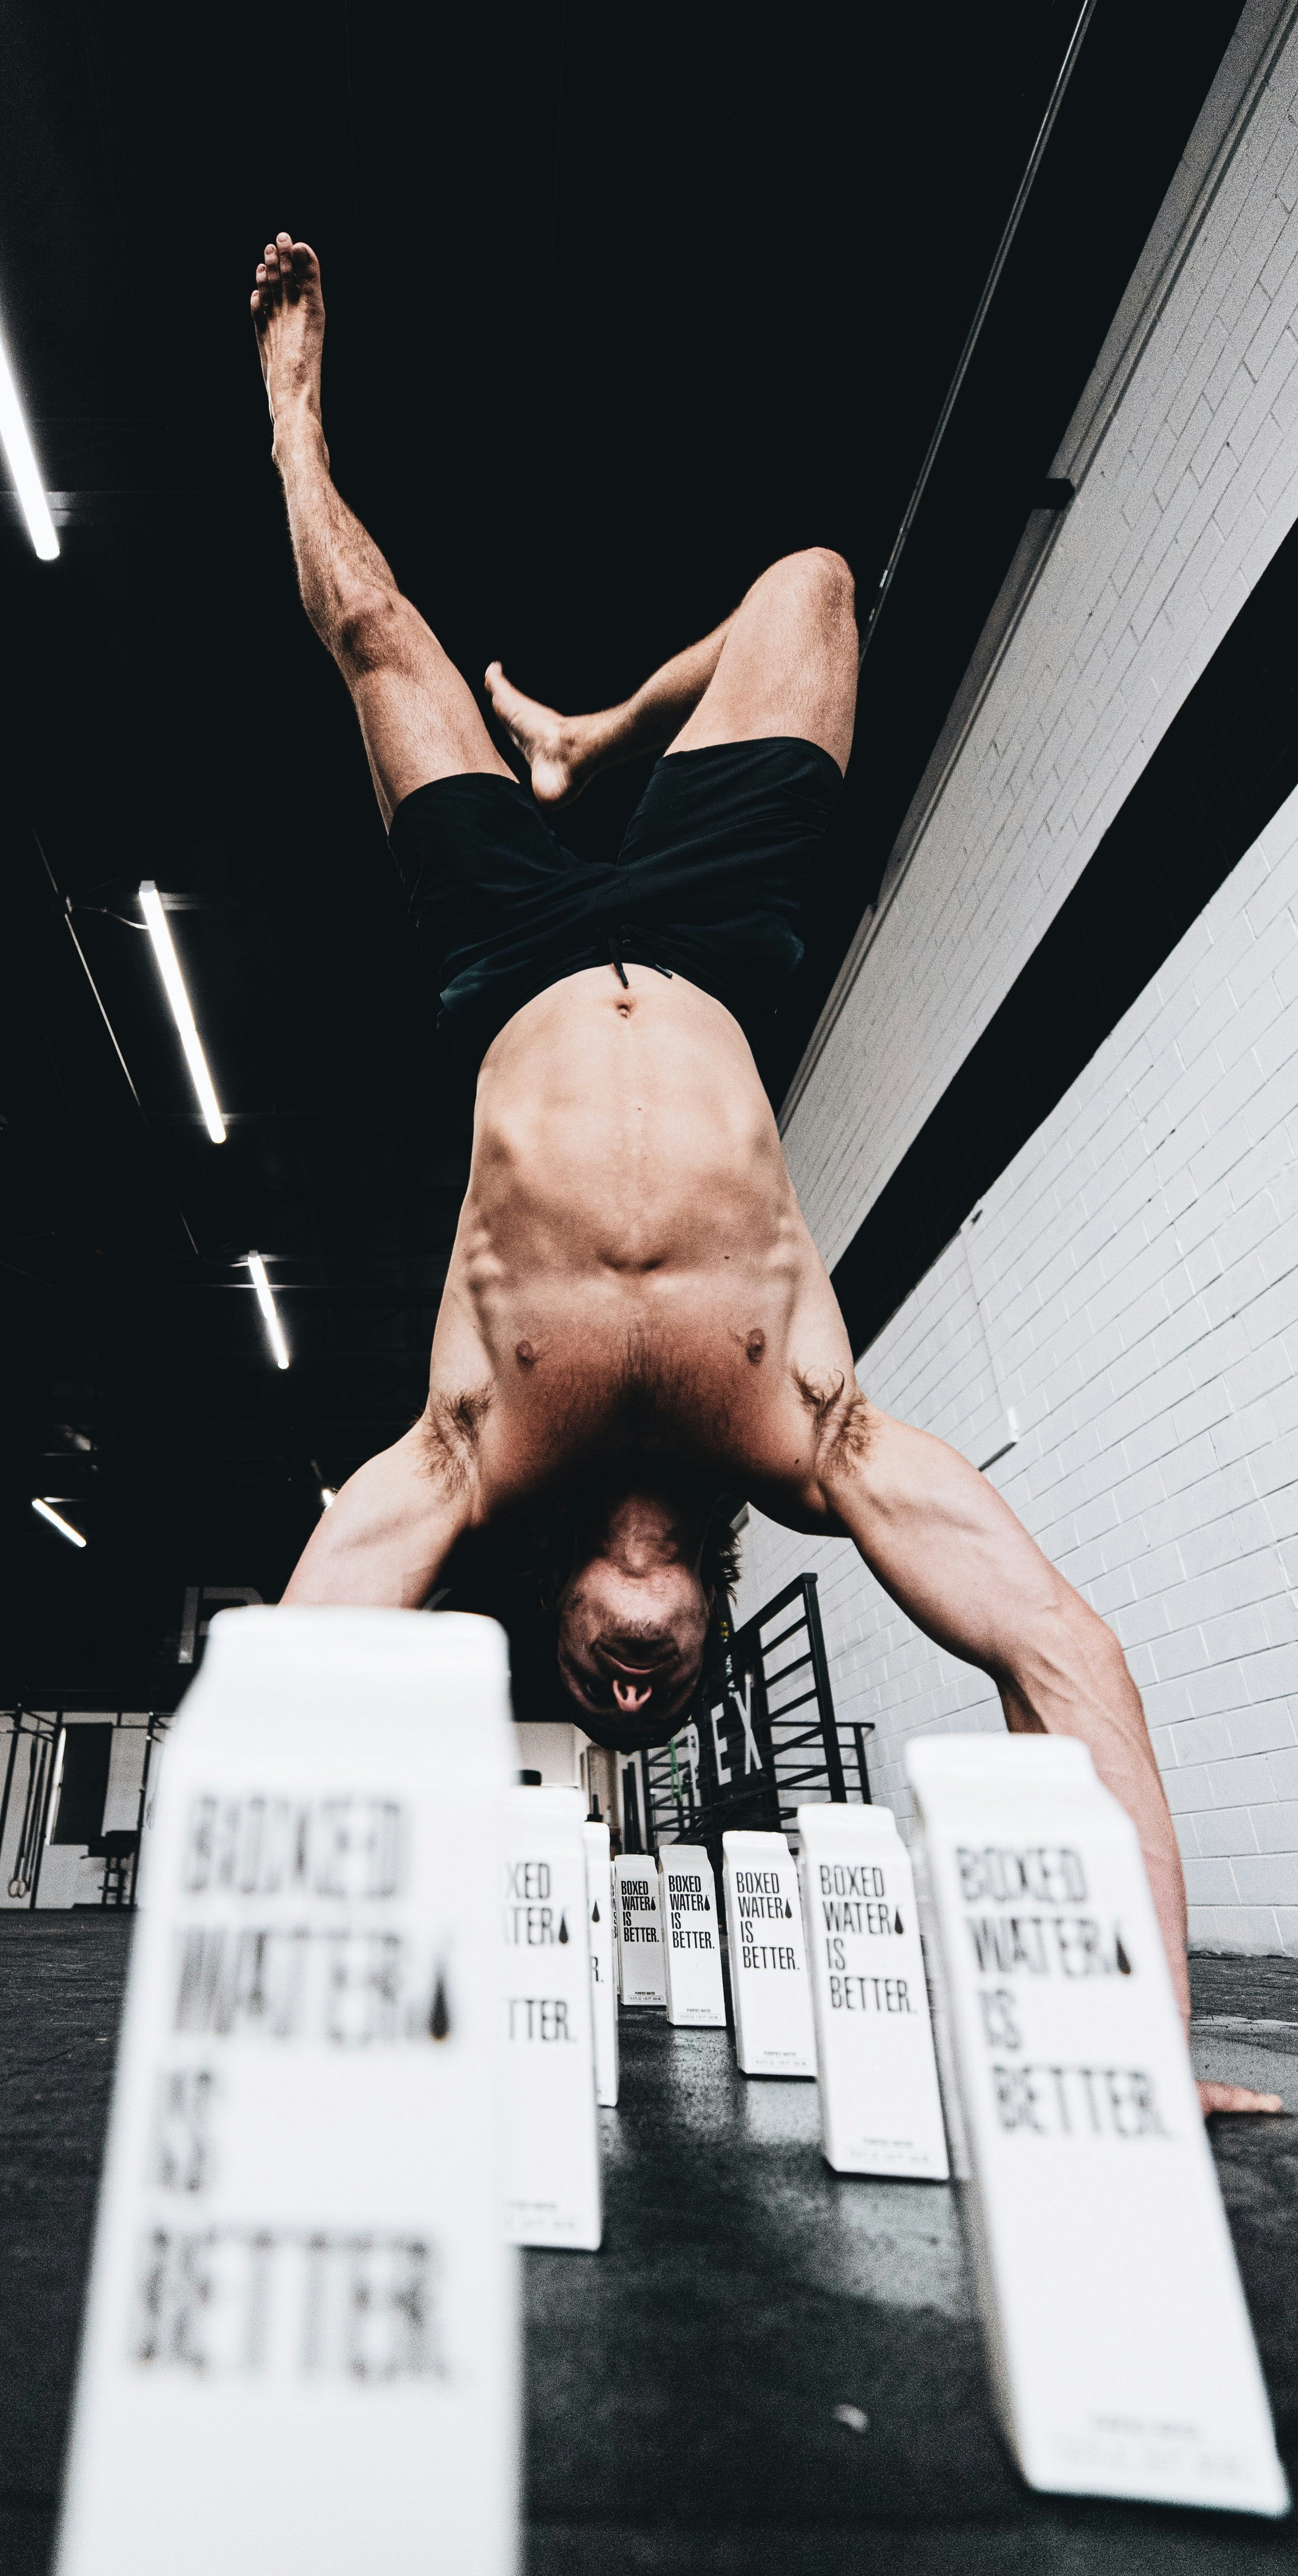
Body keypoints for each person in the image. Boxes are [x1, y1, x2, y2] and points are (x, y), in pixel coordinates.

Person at [253, 232, 1272, 2113]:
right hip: (716, 943)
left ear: (560, 1632)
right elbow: (1068, 1653)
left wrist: (262, 2045)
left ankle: (332, 466)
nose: (628, 1695)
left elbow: (291, 1695)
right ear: (714, 1628)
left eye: (601, 1696)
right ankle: (571, 706)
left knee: (383, 640)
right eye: (656, 1697)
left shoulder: (473, 1454)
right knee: (812, 583)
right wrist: (1146, 2038)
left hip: (510, 959)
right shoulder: (817, 1439)